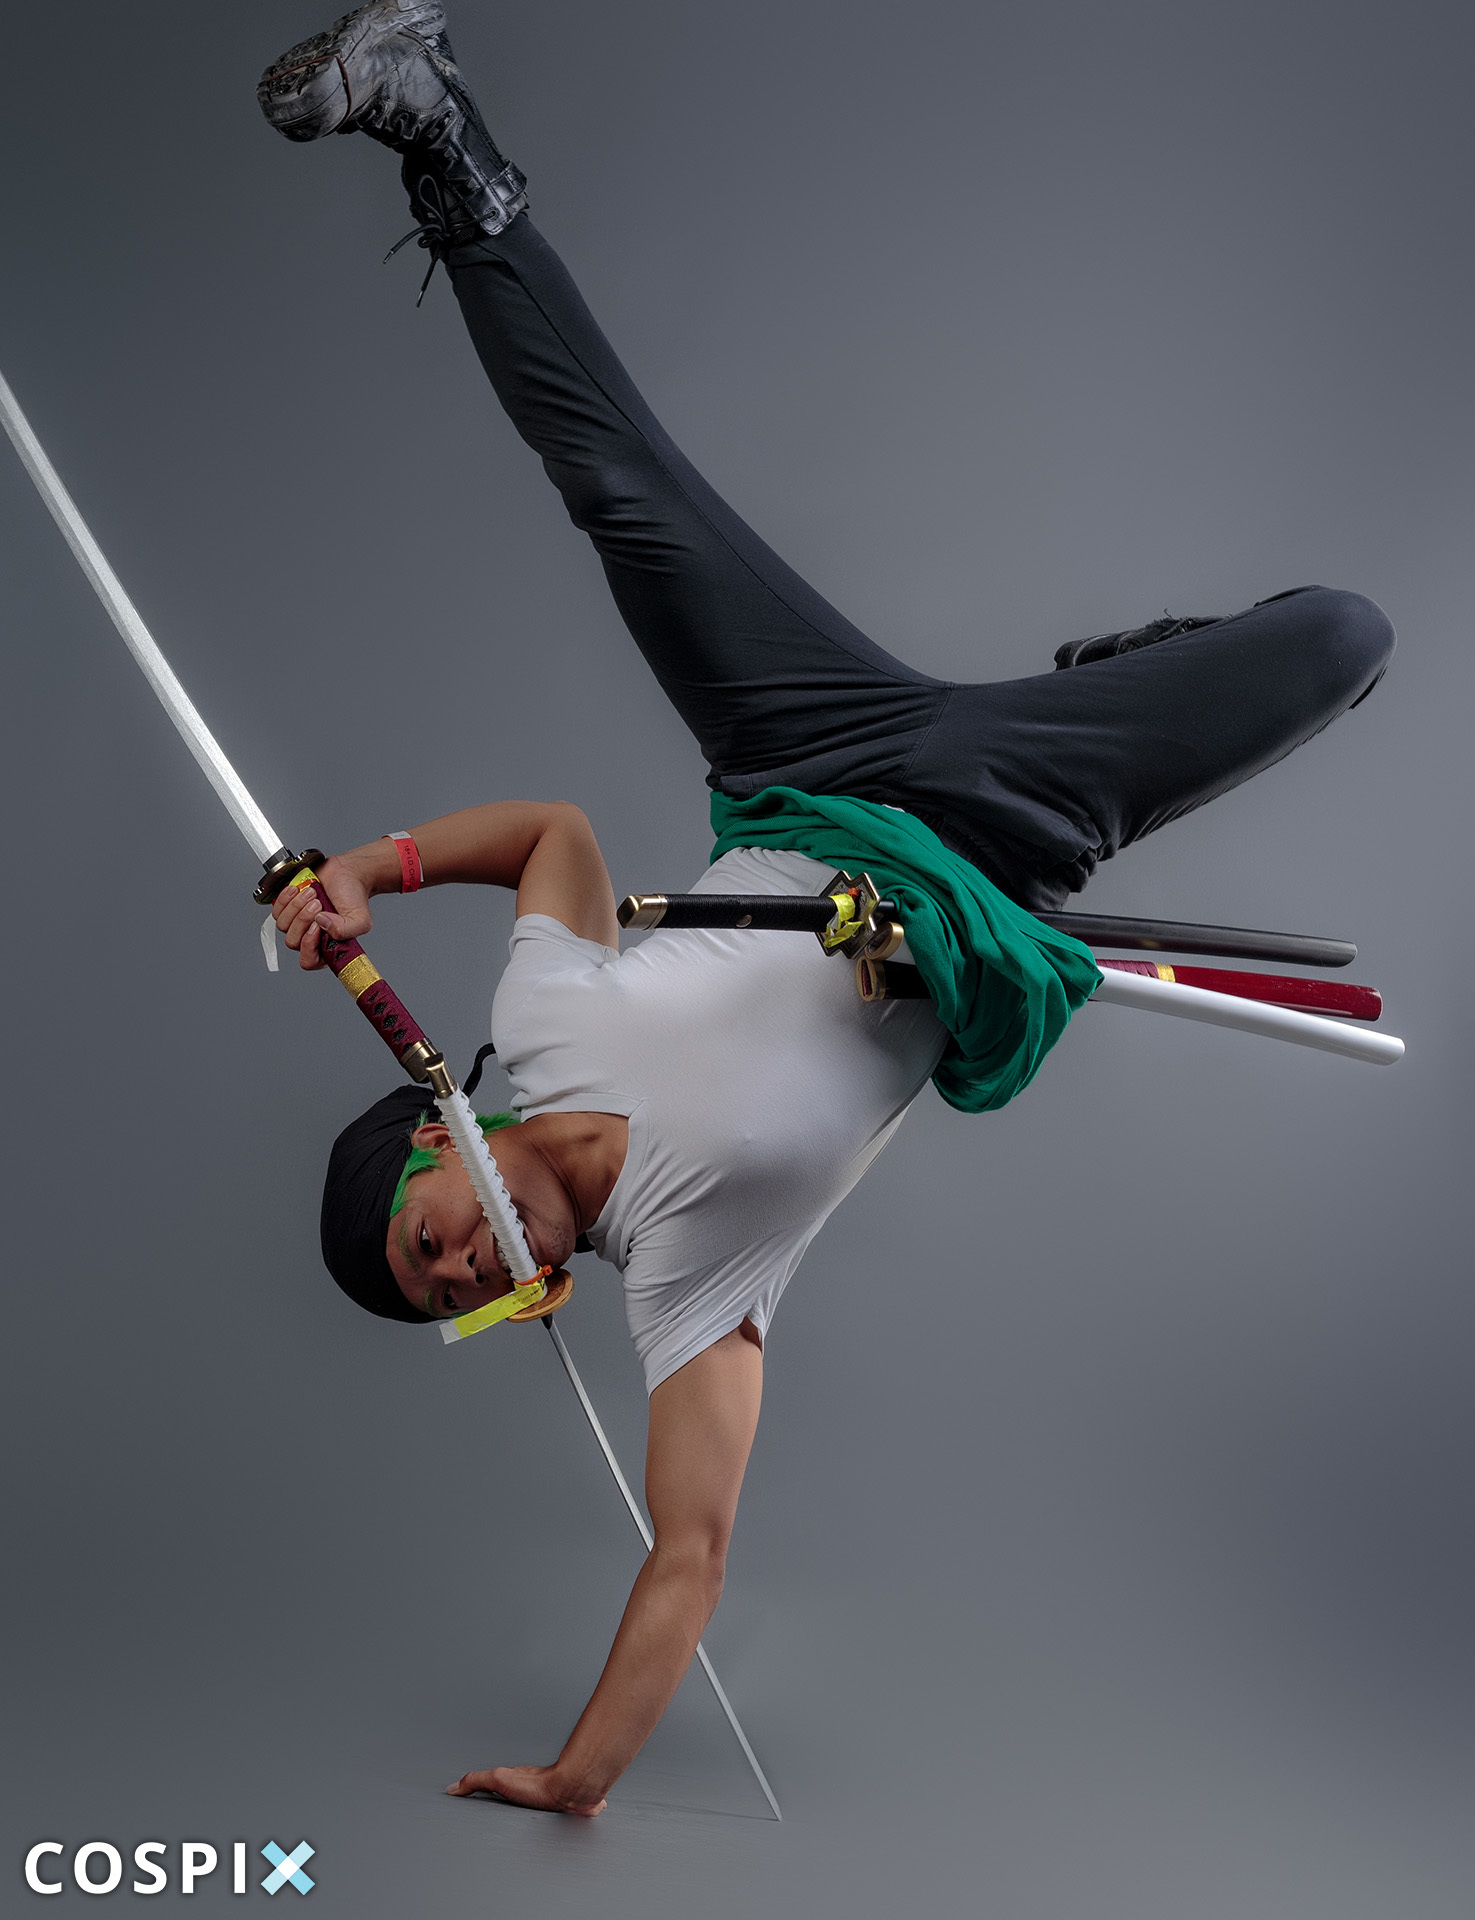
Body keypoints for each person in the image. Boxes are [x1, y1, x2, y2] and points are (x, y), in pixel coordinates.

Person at [258, 0, 1394, 1817]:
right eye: (445, 1301)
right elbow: (690, 1557)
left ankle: (430, 124)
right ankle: (1135, 682)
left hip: (811, 753)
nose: (462, 1275)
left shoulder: (543, 1024)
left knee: (626, 499)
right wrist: (579, 1776)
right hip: (1000, 837)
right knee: (1343, 636)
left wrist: (365, 874)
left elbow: (550, 833)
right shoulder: (690, 1283)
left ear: (429, 1140)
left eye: (427, 1248)